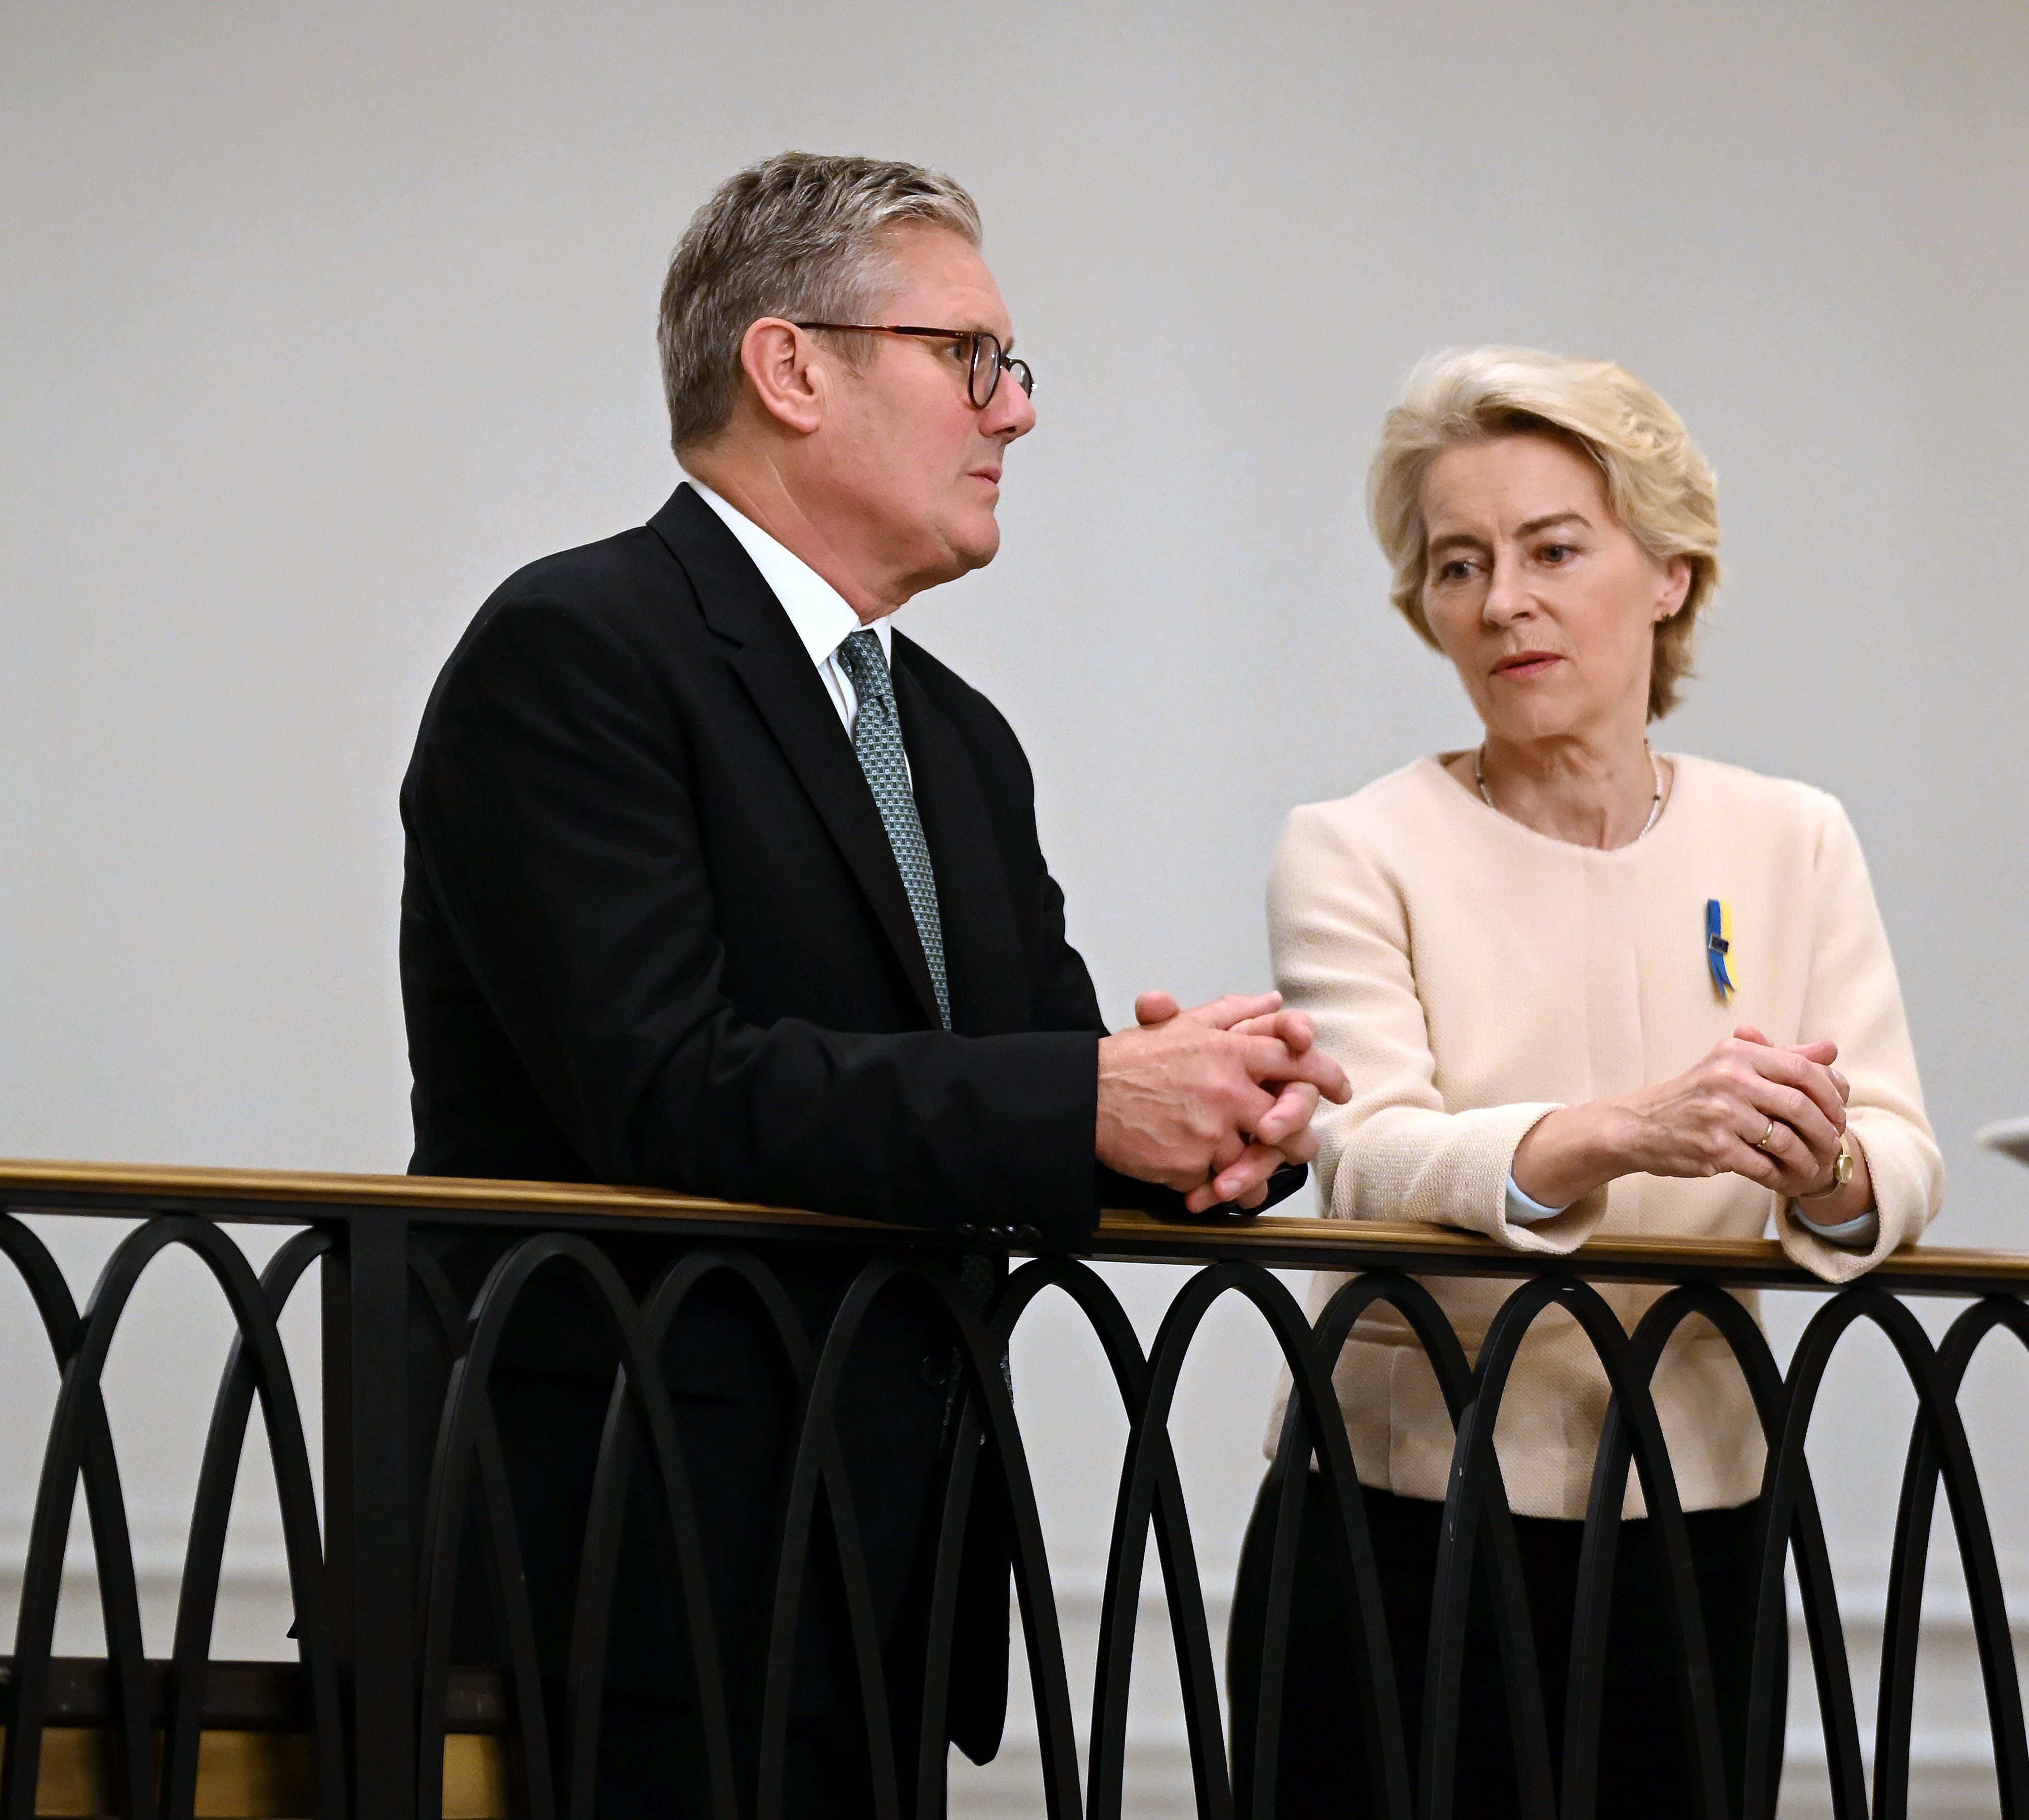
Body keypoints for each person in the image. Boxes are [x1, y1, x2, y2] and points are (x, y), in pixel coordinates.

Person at [399, 152, 1347, 1814]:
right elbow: (664, 1084)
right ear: (791, 367)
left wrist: (1208, 1126)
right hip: (621, 1563)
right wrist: (1086, 1099)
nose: (1015, 412)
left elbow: (1032, 1090)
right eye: (969, 357)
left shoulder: (959, 742)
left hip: (888, 1571)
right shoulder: (574, 647)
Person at [1230, 346, 1943, 1817]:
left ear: (1669, 572)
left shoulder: (1793, 837)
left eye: (1554, 549)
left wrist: (1825, 1167)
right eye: (1457, 565)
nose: (1503, 602)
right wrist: (1620, 1133)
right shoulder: (1353, 845)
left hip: (1701, 1521)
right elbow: (1360, 1156)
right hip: (1392, 1524)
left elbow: (1899, 1155)